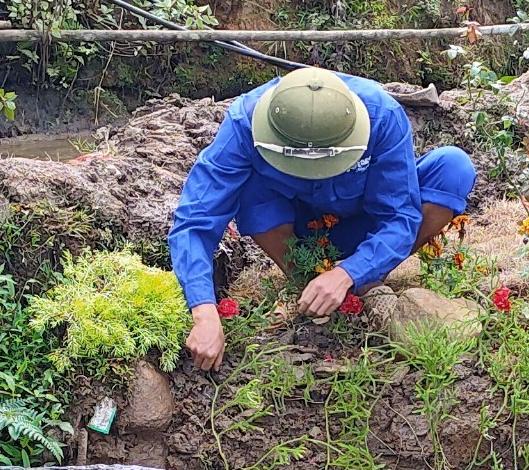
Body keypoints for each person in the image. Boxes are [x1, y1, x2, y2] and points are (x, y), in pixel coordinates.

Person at [168, 68, 475, 371]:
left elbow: (400, 217)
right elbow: (195, 218)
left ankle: (368, 279)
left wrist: (348, 273)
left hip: (364, 224)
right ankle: (306, 281)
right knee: (246, 186)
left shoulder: (381, 115)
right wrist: (204, 312)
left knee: (454, 168)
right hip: (301, 234)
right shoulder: (244, 123)